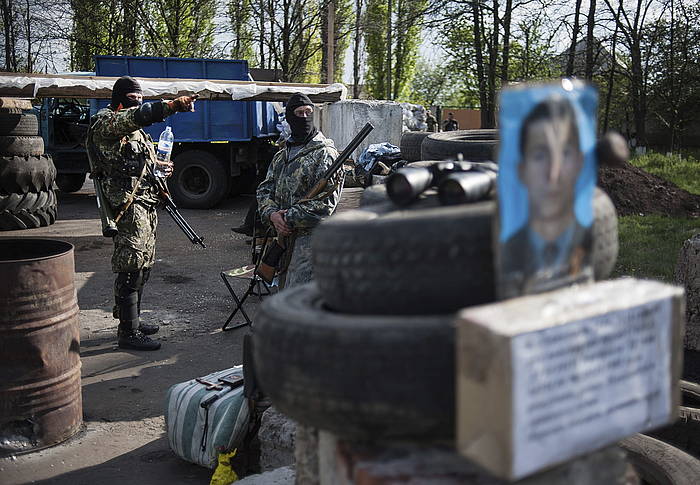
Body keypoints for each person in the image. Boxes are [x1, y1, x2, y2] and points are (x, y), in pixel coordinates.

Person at [87, 76, 196, 350]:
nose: (139, 100)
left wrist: (161, 165)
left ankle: (131, 317)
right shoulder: (106, 121)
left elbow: (139, 159)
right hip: (126, 204)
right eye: (133, 97)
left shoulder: (135, 131)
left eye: (140, 96)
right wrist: (171, 106)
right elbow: (133, 118)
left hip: (146, 201)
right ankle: (128, 332)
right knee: (132, 264)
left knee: (144, 263)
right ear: (121, 99)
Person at [500, 96, 592, 298]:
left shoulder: (590, 245)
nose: (553, 172)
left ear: (580, 163)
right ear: (521, 170)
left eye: (564, 153)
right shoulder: (503, 255)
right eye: (540, 155)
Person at [257, 92, 343, 289]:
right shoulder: (282, 155)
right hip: (284, 239)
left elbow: (325, 205)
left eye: (308, 112)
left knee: (300, 299)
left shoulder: (326, 155)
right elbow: (264, 189)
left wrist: (286, 218)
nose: (304, 117)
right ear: (289, 118)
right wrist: (272, 215)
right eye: (298, 113)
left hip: (311, 243)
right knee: (283, 292)